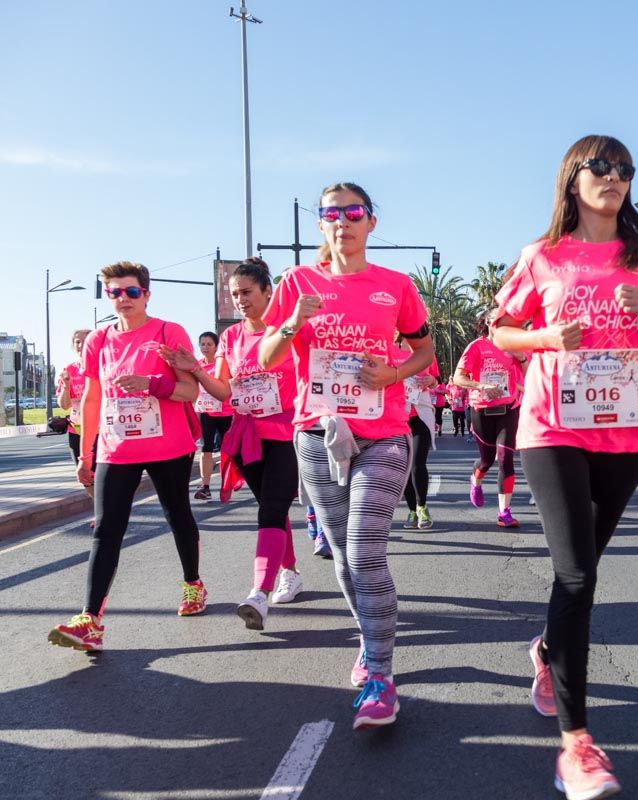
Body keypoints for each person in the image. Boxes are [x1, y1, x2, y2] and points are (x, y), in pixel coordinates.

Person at [492, 135, 638, 799]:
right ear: (572, 179)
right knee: (576, 574)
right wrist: (547, 337)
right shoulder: (543, 256)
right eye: (600, 167)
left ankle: (550, 652)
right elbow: (499, 330)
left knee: (581, 571)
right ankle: (577, 748)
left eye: (624, 169)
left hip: (624, 432)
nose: (614, 177)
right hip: (551, 426)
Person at [259, 181, 433, 730]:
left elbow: (425, 349)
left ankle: (381, 675)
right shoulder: (297, 283)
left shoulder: (395, 286)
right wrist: (293, 321)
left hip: (382, 434)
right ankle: (368, 639)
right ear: (321, 226)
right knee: (338, 555)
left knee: (363, 553)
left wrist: (395, 372)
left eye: (353, 212)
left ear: (370, 223)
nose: (343, 221)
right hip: (316, 433)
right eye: (331, 214)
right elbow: (268, 356)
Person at [48, 261, 206, 653]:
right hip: (116, 449)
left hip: (169, 446)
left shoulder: (169, 333)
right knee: (106, 530)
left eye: (131, 292)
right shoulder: (98, 340)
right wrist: (85, 453)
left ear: (146, 295)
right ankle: (90, 620)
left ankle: (193, 585)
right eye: (114, 292)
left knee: (178, 516)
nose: (123, 299)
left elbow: (191, 392)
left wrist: (150, 384)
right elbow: (91, 397)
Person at [162, 257, 305, 630]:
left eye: (246, 292)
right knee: (270, 510)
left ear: (267, 291)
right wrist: (194, 367)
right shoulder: (231, 337)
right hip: (247, 437)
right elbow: (223, 390)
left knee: (271, 511)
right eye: (234, 294)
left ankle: (259, 592)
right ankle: (290, 571)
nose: (240, 299)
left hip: (288, 434)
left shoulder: (287, 329)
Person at [455, 311, 526, 527]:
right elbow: (459, 378)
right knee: (487, 459)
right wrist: (481, 385)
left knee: (505, 457)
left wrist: (521, 357)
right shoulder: (477, 347)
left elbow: (529, 374)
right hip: (482, 409)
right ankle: (475, 480)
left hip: (508, 408)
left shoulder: (513, 346)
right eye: (499, 320)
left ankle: (504, 512)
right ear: (489, 323)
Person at [193, 331, 233, 501]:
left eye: (209, 344)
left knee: (227, 450)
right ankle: (205, 486)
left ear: (217, 346)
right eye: (202, 344)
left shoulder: (223, 364)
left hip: (225, 411)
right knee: (206, 448)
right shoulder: (196, 366)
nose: (205, 347)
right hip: (205, 411)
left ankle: (227, 484)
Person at [401, 345, 437, 530]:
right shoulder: (389, 350)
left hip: (421, 416)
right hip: (397, 419)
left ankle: (422, 507)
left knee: (417, 463)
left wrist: (431, 380)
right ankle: (412, 510)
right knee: (404, 467)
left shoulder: (426, 352)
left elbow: (435, 380)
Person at [57, 328, 92, 467]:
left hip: (103, 430)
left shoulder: (105, 367)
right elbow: (64, 405)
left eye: (86, 341)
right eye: (77, 342)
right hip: (77, 429)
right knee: (85, 477)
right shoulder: (69, 370)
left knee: (103, 475)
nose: (81, 345)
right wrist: (66, 386)